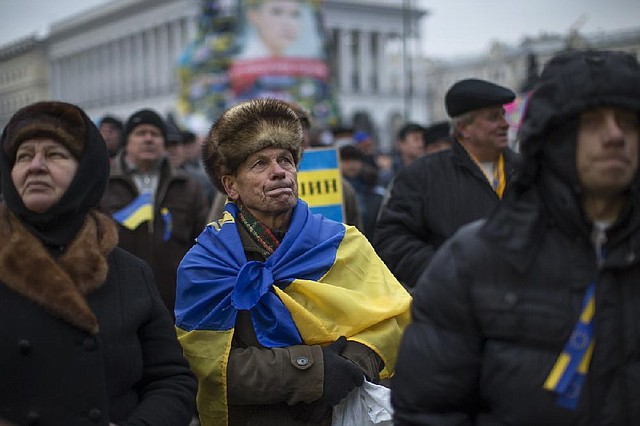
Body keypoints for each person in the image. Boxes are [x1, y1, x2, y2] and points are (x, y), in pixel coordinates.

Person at [392, 49, 640, 424]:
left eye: (628, 121)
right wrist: (448, 270)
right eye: (590, 123)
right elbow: (430, 411)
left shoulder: (520, 169)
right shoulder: (463, 251)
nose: (615, 137)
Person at [174, 98, 412, 425]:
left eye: (286, 160)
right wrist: (313, 370)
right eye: (259, 164)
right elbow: (207, 364)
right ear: (231, 186)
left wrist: (351, 367)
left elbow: (390, 319)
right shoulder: (205, 263)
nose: (279, 172)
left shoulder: (342, 241)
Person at [0, 101, 197, 425]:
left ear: (86, 171)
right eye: (23, 156)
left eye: (54, 155)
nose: (35, 166)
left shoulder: (130, 273)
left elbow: (172, 381)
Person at [374, 78, 520, 289]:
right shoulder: (422, 176)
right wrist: (446, 273)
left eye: (502, 115)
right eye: (492, 117)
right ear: (464, 128)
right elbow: (392, 239)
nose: (505, 124)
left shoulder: (528, 170)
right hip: (457, 309)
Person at [100, 108, 208, 316]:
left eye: (155, 134)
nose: (148, 139)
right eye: (141, 133)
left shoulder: (187, 185)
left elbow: (203, 240)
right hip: (120, 299)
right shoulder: (104, 185)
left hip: (178, 300)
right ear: (127, 141)